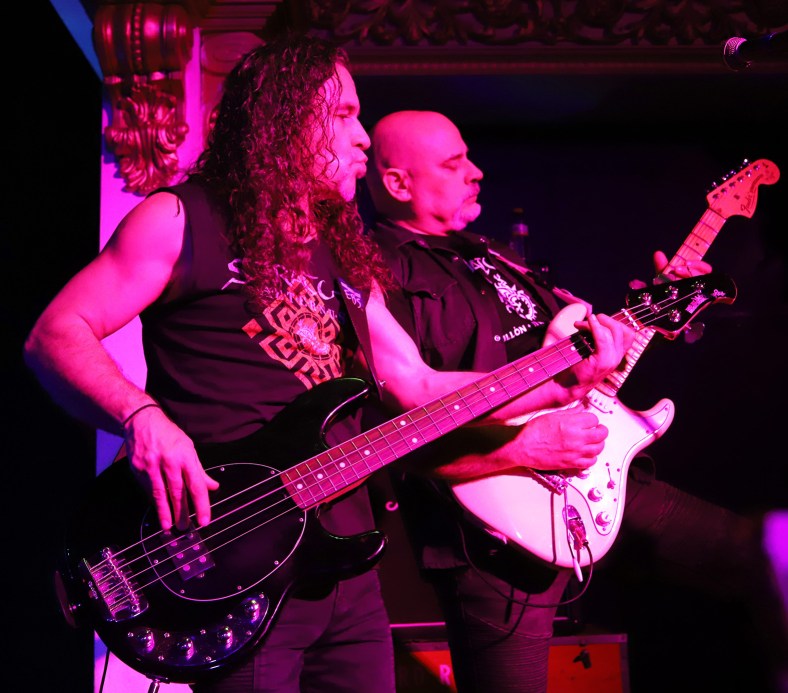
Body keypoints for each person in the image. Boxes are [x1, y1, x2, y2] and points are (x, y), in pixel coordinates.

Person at [23, 34, 635, 693]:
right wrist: (141, 417)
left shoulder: (343, 254)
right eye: (343, 114)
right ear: (283, 122)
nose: (363, 137)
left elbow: (420, 386)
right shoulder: (180, 219)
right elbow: (56, 334)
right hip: (234, 559)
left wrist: (557, 380)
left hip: (345, 563)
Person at [362, 110, 788, 693]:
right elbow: (398, 424)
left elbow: (580, 355)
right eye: (453, 163)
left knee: (760, 559)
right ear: (397, 183)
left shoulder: (492, 254)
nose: (476, 172)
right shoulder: (376, 273)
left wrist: (661, 307)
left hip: (600, 472)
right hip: (496, 523)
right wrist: (523, 446)